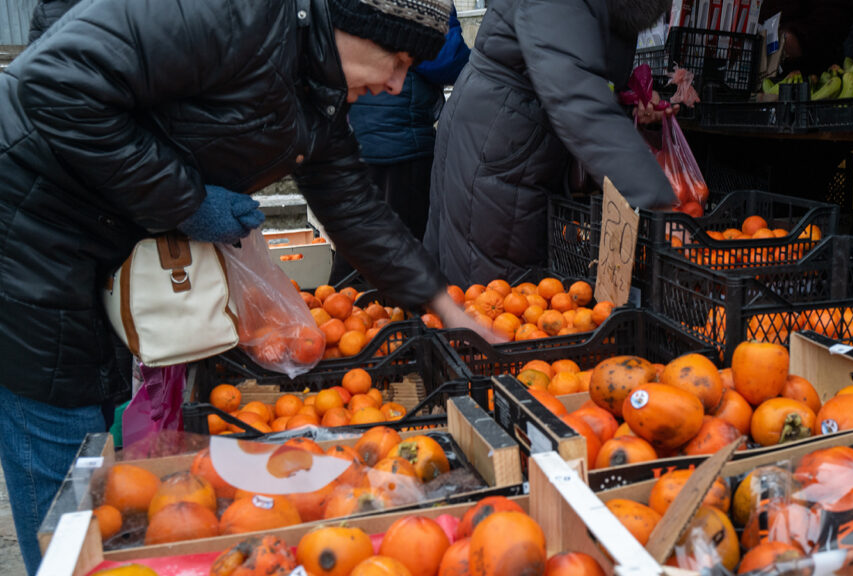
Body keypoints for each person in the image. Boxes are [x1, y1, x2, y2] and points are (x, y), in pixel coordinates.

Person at [0, 0, 484, 572]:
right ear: (353, 25)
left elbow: (352, 202)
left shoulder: (315, 80)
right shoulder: (236, 15)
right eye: (397, 60)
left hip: (95, 235)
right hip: (29, 221)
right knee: (59, 424)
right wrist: (189, 200)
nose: (397, 84)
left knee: (91, 412)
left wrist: (442, 304)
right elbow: (51, 87)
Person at [423, 0, 680, 286]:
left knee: (497, 295)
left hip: (520, 141)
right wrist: (660, 204)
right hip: (502, 143)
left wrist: (628, 101)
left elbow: (579, 65)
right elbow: (575, 94)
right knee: (493, 296)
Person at [330, 4, 469, 284]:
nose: (394, 82)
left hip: (365, 135)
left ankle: (350, 310)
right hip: (397, 139)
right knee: (398, 247)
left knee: (363, 242)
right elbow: (449, 59)